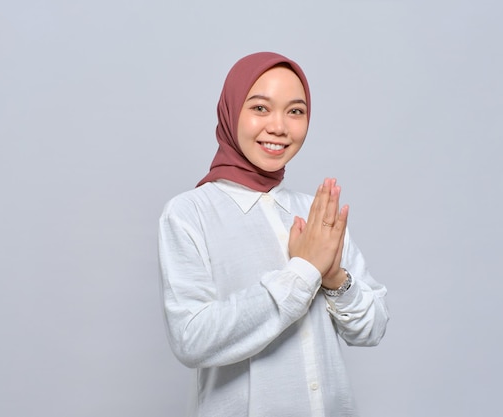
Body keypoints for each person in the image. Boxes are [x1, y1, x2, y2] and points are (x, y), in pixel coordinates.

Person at [158, 52, 389, 417]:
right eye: (261, 108)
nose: (280, 127)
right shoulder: (190, 214)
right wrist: (303, 271)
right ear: (231, 111)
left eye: (295, 111)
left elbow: (372, 328)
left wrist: (332, 277)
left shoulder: (317, 213)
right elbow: (191, 338)